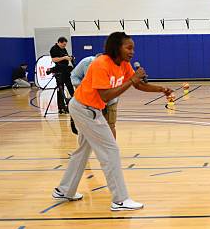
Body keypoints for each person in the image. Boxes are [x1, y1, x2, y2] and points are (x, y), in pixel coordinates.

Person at [53, 32, 174, 211]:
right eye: (129, 48)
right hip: (84, 109)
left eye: (133, 48)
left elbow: (138, 84)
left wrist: (161, 89)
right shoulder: (100, 64)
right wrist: (131, 80)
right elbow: (106, 95)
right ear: (117, 48)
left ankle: (64, 190)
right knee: (111, 151)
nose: (132, 52)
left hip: (90, 108)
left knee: (82, 152)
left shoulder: (123, 64)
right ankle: (120, 199)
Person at [50, 37, 75, 114]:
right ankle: (61, 107)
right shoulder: (54, 49)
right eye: (63, 44)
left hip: (66, 70)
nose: (64, 46)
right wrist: (64, 57)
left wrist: (69, 58)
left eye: (65, 45)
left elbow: (65, 57)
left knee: (70, 87)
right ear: (59, 42)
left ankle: (75, 105)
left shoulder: (63, 49)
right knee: (61, 89)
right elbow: (54, 59)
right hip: (59, 71)